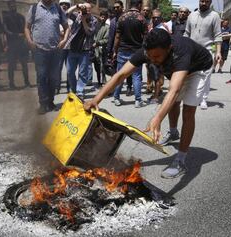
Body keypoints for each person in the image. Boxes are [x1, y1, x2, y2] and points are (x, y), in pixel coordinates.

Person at [84, 29, 213, 178]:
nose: (153, 60)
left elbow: (174, 90)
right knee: (173, 103)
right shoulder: (148, 51)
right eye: (150, 56)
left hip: (198, 69)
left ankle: (180, 160)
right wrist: (96, 100)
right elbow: (120, 75)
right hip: (178, 68)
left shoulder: (181, 50)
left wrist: (157, 118)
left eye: (157, 56)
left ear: (169, 48)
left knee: (188, 111)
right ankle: (173, 132)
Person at [24, 0, 69, 114]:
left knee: (53, 78)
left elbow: (67, 27)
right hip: (39, 50)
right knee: (42, 77)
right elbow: (27, 27)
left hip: (55, 50)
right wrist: (30, 41)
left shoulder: (58, 9)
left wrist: (64, 40)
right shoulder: (34, 8)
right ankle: (43, 104)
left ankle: (50, 101)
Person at [184, 0, 222, 110]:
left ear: (210, 2)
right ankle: (188, 98)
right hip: (192, 51)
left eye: (206, 1)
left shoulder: (215, 16)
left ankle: (203, 99)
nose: (203, 3)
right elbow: (187, 33)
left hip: (207, 51)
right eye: (202, 1)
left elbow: (218, 35)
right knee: (190, 75)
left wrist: (218, 52)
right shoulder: (192, 15)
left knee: (206, 76)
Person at [112, 0, 148, 108]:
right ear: (139, 5)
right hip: (136, 52)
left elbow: (117, 36)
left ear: (130, 5)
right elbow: (146, 37)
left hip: (123, 50)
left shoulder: (122, 17)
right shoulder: (142, 19)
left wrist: (115, 50)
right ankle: (138, 100)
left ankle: (116, 98)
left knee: (120, 75)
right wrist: (144, 51)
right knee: (136, 76)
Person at [64, 3, 97, 98]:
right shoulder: (76, 16)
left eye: (88, 9)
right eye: (85, 8)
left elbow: (90, 32)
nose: (87, 10)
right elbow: (66, 14)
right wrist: (76, 6)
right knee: (70, 71)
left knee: (82, 73)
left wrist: (84, 21)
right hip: (72, 49)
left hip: (84, 50)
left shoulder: (93, 20)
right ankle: (73, 89)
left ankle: (80, 91)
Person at [107, 1, 133, 96]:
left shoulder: (127, 19)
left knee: (127, 69)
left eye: (117, 7)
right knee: (114, 70)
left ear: (122, 7)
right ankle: (114, 88)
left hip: (125, 48)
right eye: (114, 7)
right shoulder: (113, 21)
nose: (115, 9)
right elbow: (111, 37)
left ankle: (129, 87)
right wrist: (109, 50)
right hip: (115, 48)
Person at [3, 0, 30, 90]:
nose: (13, 6)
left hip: (21, 44)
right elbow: (5, 30)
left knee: (24, 64)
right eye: (11, 5)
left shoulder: (21, 17)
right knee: (11, 65)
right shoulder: (6, 17)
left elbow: (25, 28)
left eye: (14, 5)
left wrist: (26, 37)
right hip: (12, 44)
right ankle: (11, 83)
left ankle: (27, 82)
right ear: (8, 6)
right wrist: (16, 35)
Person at [56, 0, 72, 94]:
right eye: (62, 4)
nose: (64, 6)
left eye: (66, 4)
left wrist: (66, 33)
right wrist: (61, 32)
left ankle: (69, 87)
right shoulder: (56, 18)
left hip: (70, 48)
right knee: (58, 68)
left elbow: (72, 32)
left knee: (70, 69)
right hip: (60, 47)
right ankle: (57, 87)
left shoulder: (71, 20)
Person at [92, 10, 109, 88]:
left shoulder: (107, 27)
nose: (103, 18)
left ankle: (103, 82)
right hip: (93, 50)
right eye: (102, 16)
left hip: (101, 50)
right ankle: (99, 81)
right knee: (96, 67)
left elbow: (106, 39)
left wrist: (98, 43)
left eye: (104, 17)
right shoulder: (95, 25)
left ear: (106, 18)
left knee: (102, 67)